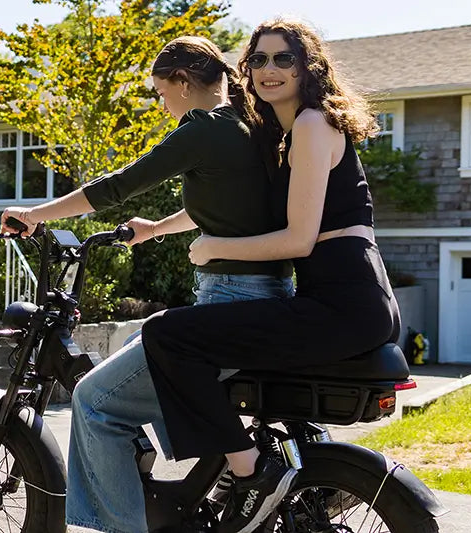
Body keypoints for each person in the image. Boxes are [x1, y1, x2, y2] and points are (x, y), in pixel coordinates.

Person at [0, 36, 295, 533]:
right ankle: (199, 481)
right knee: (135, 346)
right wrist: (156, 228)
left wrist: (34, 214)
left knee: (93, 400)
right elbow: (224, 206)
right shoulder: (249, 123)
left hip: (228, 299)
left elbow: (118, 186)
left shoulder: (204, 128)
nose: (162, 104)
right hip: (266, 298)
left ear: (183, 82)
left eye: (161, 92)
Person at [141, 18, 401, 533]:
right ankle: (300, 480)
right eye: (258, 59)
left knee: (167, 335)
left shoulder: (311, 124)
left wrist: (214, 248)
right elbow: (241, 207)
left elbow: (298, 240)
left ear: (308, 67)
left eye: (284, 58)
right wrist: (156, 229)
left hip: (343, 306)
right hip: (346, 300)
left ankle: (249, 472)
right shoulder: (287, 133)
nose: (269, 69)